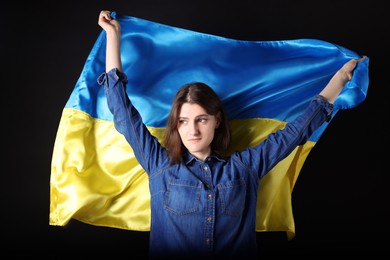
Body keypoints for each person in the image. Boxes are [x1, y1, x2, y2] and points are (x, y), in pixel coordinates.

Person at [97, 10, 366, 259]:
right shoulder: (160, 166)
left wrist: (340, 79)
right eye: (183, 121)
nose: (192, 130)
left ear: (216, 121)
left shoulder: (245, 168)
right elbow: (121, 109)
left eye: (201, 119)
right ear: (176, 126)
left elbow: (295, 133)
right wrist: (113, 36)